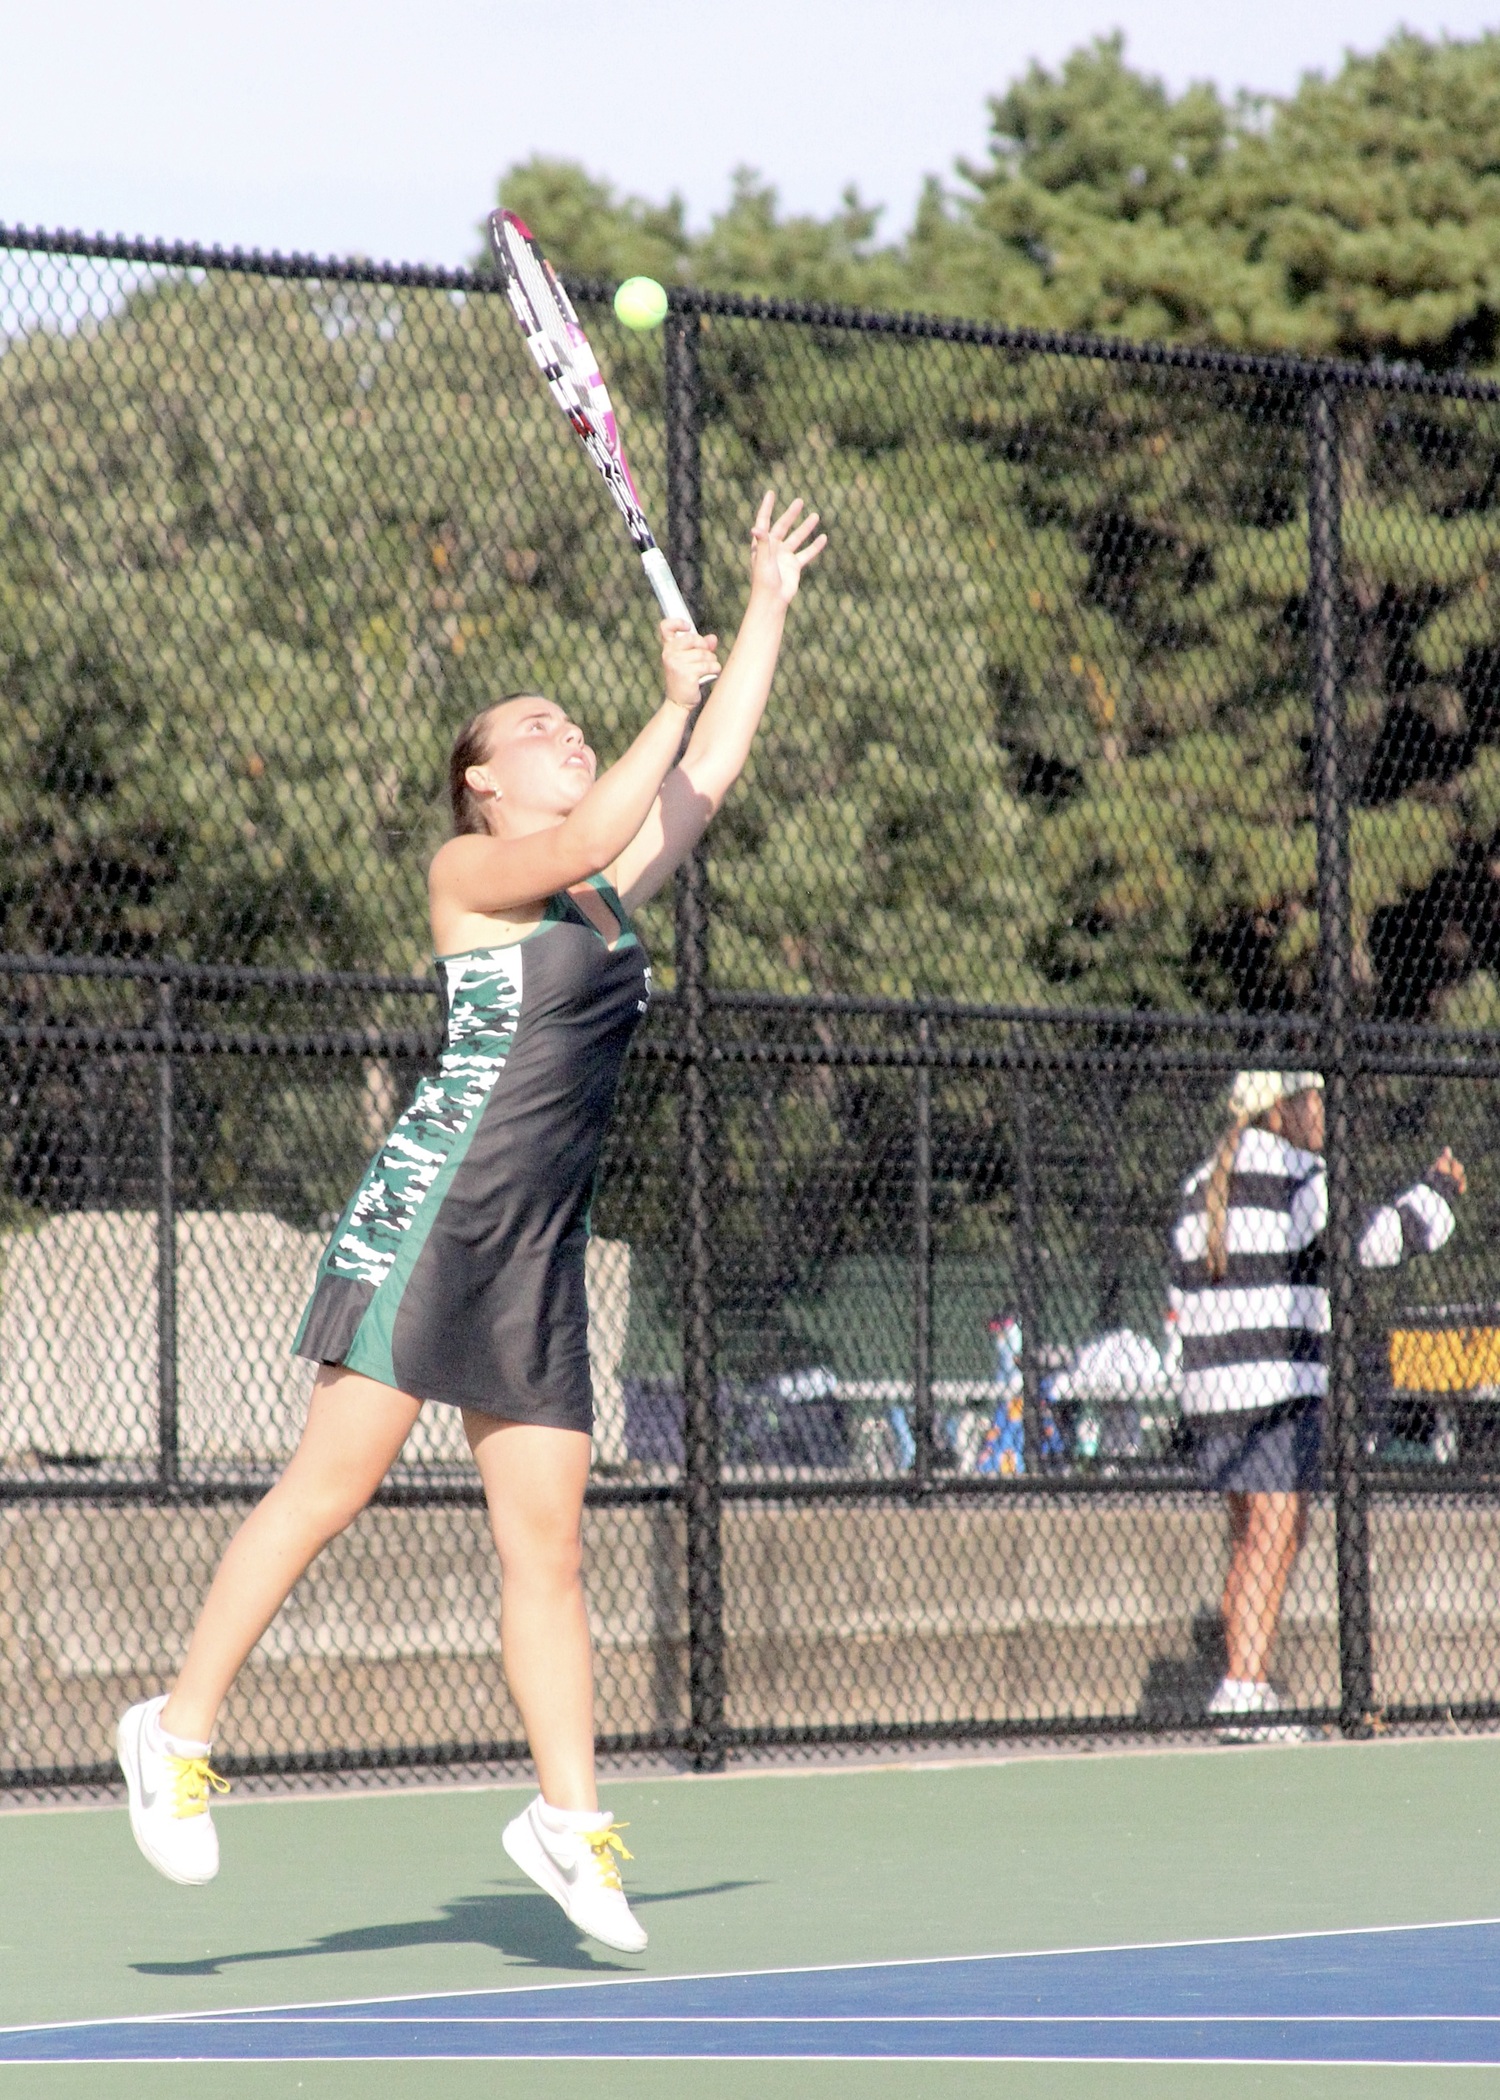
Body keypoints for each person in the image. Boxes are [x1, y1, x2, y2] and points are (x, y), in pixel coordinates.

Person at [114, 490, 826, 1952]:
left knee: (547, 1547)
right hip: (433, 1218)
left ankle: (568, 1824)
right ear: (482, 790)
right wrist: (654, 705)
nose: (562, 736)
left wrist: (762, 608)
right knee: (333, 1486)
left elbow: (711, 771)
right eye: (536, 729)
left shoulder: (607, 899)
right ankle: (173, 1736)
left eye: (573, 721)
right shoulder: (476, 880)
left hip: (538, 1254)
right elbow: (633, 793)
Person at [1170, 1069, 1466, 1740]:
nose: (1325, 1115)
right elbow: (1375, 1241)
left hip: (1213, 1392)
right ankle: (1242, 1686)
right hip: (1274, 1390)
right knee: (1275, 1534)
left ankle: (1242, 1682)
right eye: (1315, 1102)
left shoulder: (1198, 1183)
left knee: (1255, 1537)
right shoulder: (1297, 1174)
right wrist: (1439, 1191)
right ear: (1281, 1110)